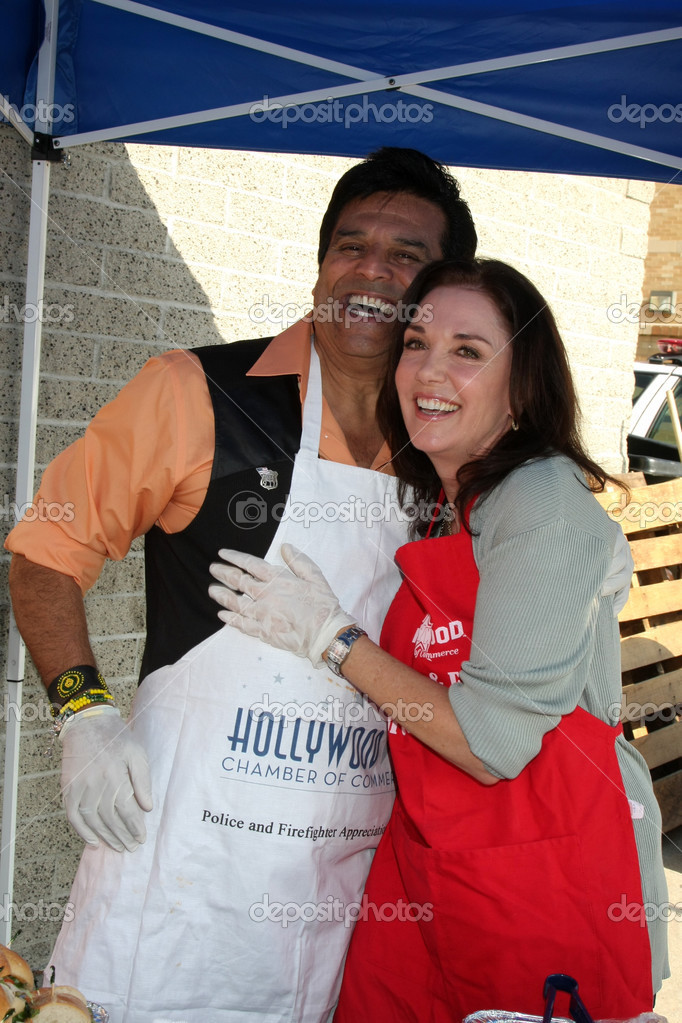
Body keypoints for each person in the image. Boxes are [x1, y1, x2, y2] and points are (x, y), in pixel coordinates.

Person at [6, 149, 480, 1022]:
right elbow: (44, 551)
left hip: (337, 895)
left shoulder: (446, 450)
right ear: (320, 262)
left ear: (438, 291)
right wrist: (86, 716)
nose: (370, 270)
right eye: (350, 244)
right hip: (174, 883)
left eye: (405, 254)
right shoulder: (196, 393)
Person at [208, 258, 668, 1022]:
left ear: (524, 388)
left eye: (468, 350)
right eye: (417, 342)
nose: (428, 369)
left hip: (543, 884)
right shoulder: (449, 503)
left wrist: (331, 637)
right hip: (429, 867)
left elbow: (492, 741)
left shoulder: (542, 507)